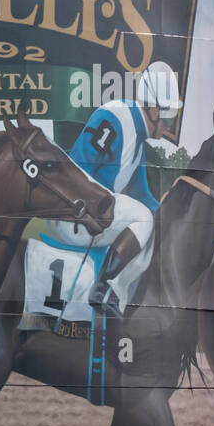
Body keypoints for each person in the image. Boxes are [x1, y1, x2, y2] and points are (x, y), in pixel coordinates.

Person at [52, 60, 179, 314]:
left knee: (151, 224)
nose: (168, 126)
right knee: (143, 220)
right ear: (153, 109)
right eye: (168, 117)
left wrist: (168, 213)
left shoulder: (138, 142)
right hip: (74, 213)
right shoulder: (115, 117)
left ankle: (117, 296)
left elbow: (140, 194)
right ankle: (102, 288)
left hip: (94, 213)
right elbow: (80, 170)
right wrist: (88, 210)